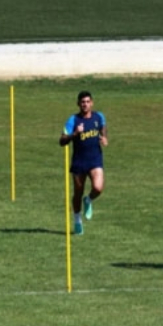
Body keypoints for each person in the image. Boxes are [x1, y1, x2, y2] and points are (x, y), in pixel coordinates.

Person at [58, 90, 108, 235]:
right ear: (78, 104)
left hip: (95, 160)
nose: (85, 104)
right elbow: (61, 141)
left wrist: (104, 137)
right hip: (79, 162)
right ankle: (77, 220)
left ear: (91, 103)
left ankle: (89, 199)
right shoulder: (73, 120)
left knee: (98, 188)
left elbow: (103, 127)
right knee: (77, 193)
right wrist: (74, 134)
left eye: (87, 102)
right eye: (82, 102)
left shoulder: (99, 117)